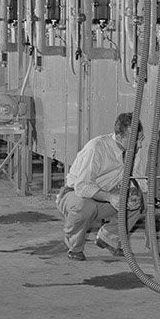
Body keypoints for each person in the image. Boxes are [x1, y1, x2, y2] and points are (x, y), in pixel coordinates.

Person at [57, 112, 143, 261]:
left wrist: (133, 193)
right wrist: (110, 197)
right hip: (75, 194)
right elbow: (82, 186)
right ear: (122, 136)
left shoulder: (130, 151)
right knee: (85, 206)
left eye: (140, 139)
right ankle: (73, 245)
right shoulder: (97, 148)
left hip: (105, 196)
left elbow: (132, 178)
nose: (140, 144)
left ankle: (108, 238)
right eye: (136, 140)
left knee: (138, 202)